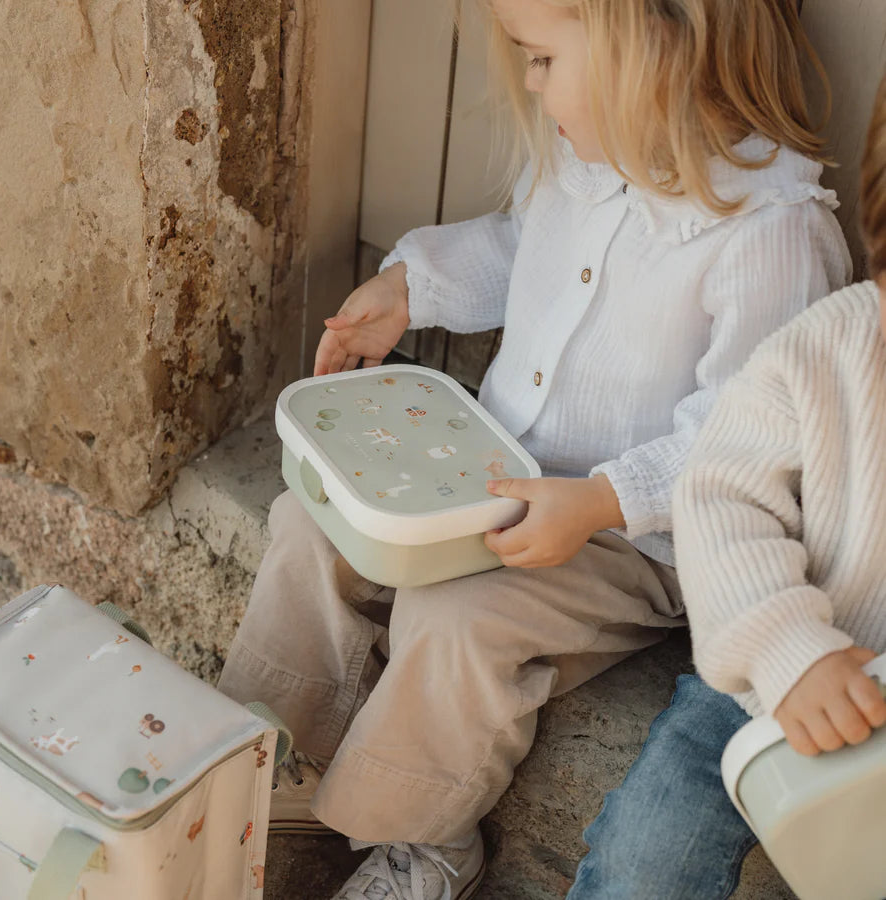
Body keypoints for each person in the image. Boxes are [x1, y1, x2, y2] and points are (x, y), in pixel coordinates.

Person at [218, 1, 851, 897]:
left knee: (458, 621)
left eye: (544, 58)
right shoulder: (583, 158)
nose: (530, 80)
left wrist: (600, 501)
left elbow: (743, 438)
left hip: (628, 537)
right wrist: (412, 287)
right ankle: (275, 754)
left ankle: (425, 838)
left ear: (658, 44)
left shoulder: (769, 230)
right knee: (308, 527)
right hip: (497, 466)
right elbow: (519, 249)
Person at [567, 68, 886, 900]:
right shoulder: (831, 350)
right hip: (779, 683)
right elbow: (723, 502)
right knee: (647, 861)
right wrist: (785, 651)